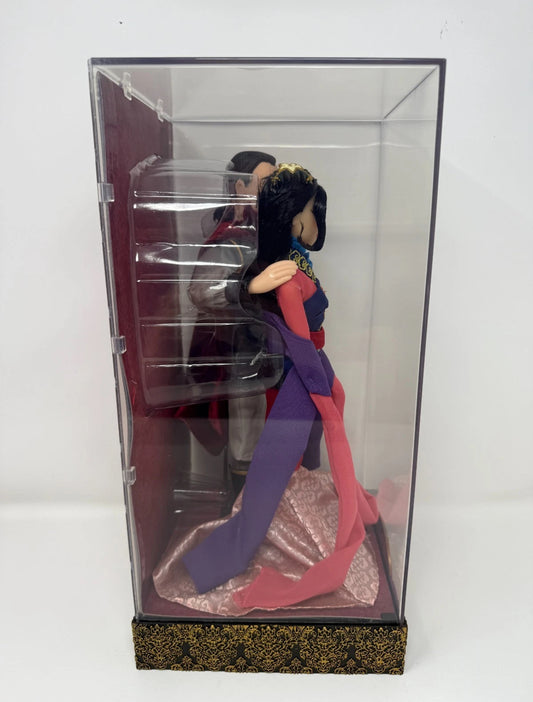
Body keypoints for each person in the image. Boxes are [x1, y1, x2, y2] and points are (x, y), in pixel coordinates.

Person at [154, 164, 380, 614]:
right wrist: (322, 389)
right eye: (310, 211)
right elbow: (285, 331)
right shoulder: (259, 256)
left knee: (295, 461)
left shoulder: (290, 257)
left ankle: (298, 529)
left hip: (301, 369)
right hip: (283, 370)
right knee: (262, 465)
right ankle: (225, 555)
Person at [183, 151, 297, 494]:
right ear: (240, 187)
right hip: (238, 350)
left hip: (266, 346)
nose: (272, 191)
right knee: (246, 431)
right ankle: (240, 504)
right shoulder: (229, 239)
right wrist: (247, 287)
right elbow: (201, 291)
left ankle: (258, 500)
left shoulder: (263, 235)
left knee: (266, 427)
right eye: (265, 183)